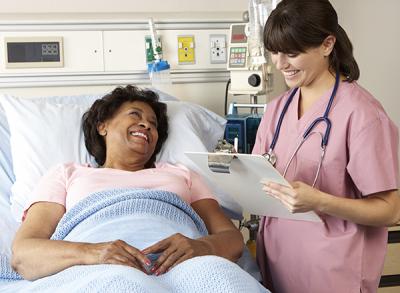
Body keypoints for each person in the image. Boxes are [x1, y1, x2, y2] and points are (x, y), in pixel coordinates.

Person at [10, 85, 251, 288]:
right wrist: (93, 253)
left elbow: (231, 239)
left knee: (224, 283)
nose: (146, 126)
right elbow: (24, 252)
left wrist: (201, 246)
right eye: (135, 115)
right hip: (100, 267)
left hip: (186, 263)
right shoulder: (68, 174)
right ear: (102, 126)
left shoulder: (182, 175)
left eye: (153, 123)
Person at [253, 0, 400, 292]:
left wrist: (320, 201)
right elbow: (260, 179)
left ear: (327, 44)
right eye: (275, 52)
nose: (280, 64)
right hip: (277, 262)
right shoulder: (277, 110)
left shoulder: (363, 115)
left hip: (333, 272)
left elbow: (391, 210)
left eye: (292, 53)